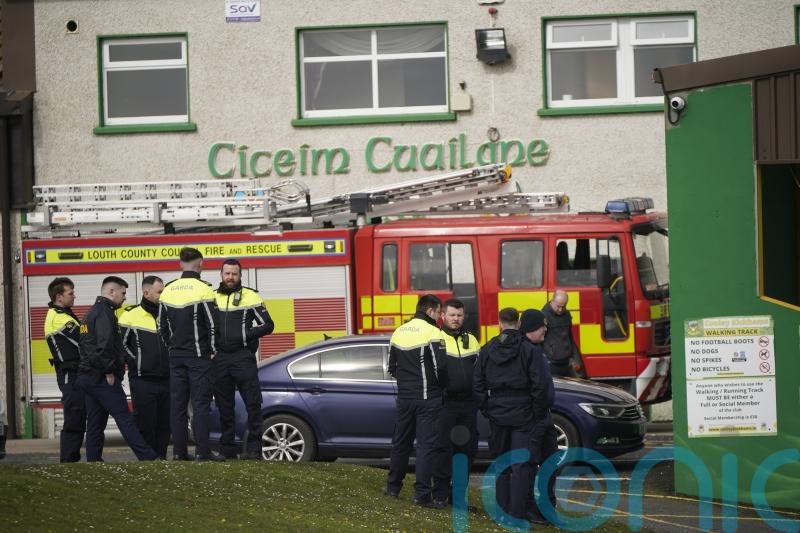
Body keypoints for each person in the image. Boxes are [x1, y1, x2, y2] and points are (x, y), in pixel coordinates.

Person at [473, 307, 553, 523]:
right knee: (521, 465)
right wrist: (537, 412)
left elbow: (477, 383)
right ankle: (517, 513)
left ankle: (502, 512)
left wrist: (487, 408)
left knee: (502, 463)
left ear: (499, 324)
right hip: (524, 412)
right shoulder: (529, 349)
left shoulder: (487, 349)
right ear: (518, 324)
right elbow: (539, 385)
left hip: (497, 411)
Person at [76, 276, 157, 462]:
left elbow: (87, 346)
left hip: (88, 376)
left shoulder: (92, 312)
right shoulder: (105, 313)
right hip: (101, 377)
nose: (124, 297)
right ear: (111, 292)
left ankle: (94, 460)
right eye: (123, 293)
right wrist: (108, 371)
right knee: (125, 418)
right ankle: (148, 457)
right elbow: (104, 347)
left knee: (95, 422)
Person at [159, 247, 224, 462]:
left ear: (180, 264)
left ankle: (179, 452)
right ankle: (202, 452)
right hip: (198, 357)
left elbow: (161, 326)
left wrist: (171, 348)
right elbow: (212, 325)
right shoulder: (204, 289)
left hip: (176, 357)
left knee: (177, 406)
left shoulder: (168, 290)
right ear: (201, 264)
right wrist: (212, 350)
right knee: (200, 404)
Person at [385, 294, 447, 508]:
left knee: (400, 444)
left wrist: (407, 385)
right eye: (439, 312)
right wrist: (440, 388)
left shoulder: (399, 331)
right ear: (430, 311)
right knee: (425, 447)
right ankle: (421, 494)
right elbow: (441, 368)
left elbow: (391, 368)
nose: (440, 317)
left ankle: (392, 488)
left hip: (404, 398)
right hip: (428, 398)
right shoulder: (433, 332)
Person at [214, 258, 274, 459]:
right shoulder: (212, 297)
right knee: (224, 406)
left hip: (243, 357)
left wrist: (245, 335)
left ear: (240, 275)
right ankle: (227, 449)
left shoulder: (250, 295)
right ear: (221, 274)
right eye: (227, 273)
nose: (230, 277)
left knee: (253, 404)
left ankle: (254, 449)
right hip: (220, 358)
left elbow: (268, 325)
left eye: (234, 274)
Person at [432, 298, 481, 508]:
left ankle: (458, 498)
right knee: (443, 450)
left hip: (468, 405)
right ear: (443, 315)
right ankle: (440, 495)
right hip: (445, 404)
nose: (456, 319)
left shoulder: (472, 339)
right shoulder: (436, 338)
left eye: (459, 315)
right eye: (452, 315)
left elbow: (479, 371)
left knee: (465, 452)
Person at [119, 276, 171, 460]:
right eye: (160, 292)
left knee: (165, 424)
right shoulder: (129, 315)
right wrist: (137, 362)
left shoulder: (168, 314)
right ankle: (148, 460)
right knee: (145, 423)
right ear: (146, 292)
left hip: (167, 379)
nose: (163, 295)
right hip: (142, 380)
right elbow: (121, 345)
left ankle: (161, 459)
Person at [519, 308, 560, 524]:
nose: (545, 329)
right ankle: (529, 508)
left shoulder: (537, 349)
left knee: (550, 462)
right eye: (541, 326)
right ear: (531, 328)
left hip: (544, 416)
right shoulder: (525, 351)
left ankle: (548, 507)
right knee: (529, 464)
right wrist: (536, 412)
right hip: (533, 417)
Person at [44, 277, 86, 462]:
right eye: (71, 293)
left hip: (75, 373)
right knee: (74, 416)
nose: (74, 296)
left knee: (80, 415)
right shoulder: (58, 317)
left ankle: (72, 458)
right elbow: (84, 341)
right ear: (59, 297)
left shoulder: (64, 314)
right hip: (70, 374)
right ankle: (69, 460)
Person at [541, 290, 581, 378]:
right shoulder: (543, 315)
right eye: (558, 306)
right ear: (552, 301)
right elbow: (539, 340)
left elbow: (570, 337)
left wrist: (573, 357)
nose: (560, 310)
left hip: (566, 362)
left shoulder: (567, 314)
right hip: (551, 363)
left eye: (563, 307)